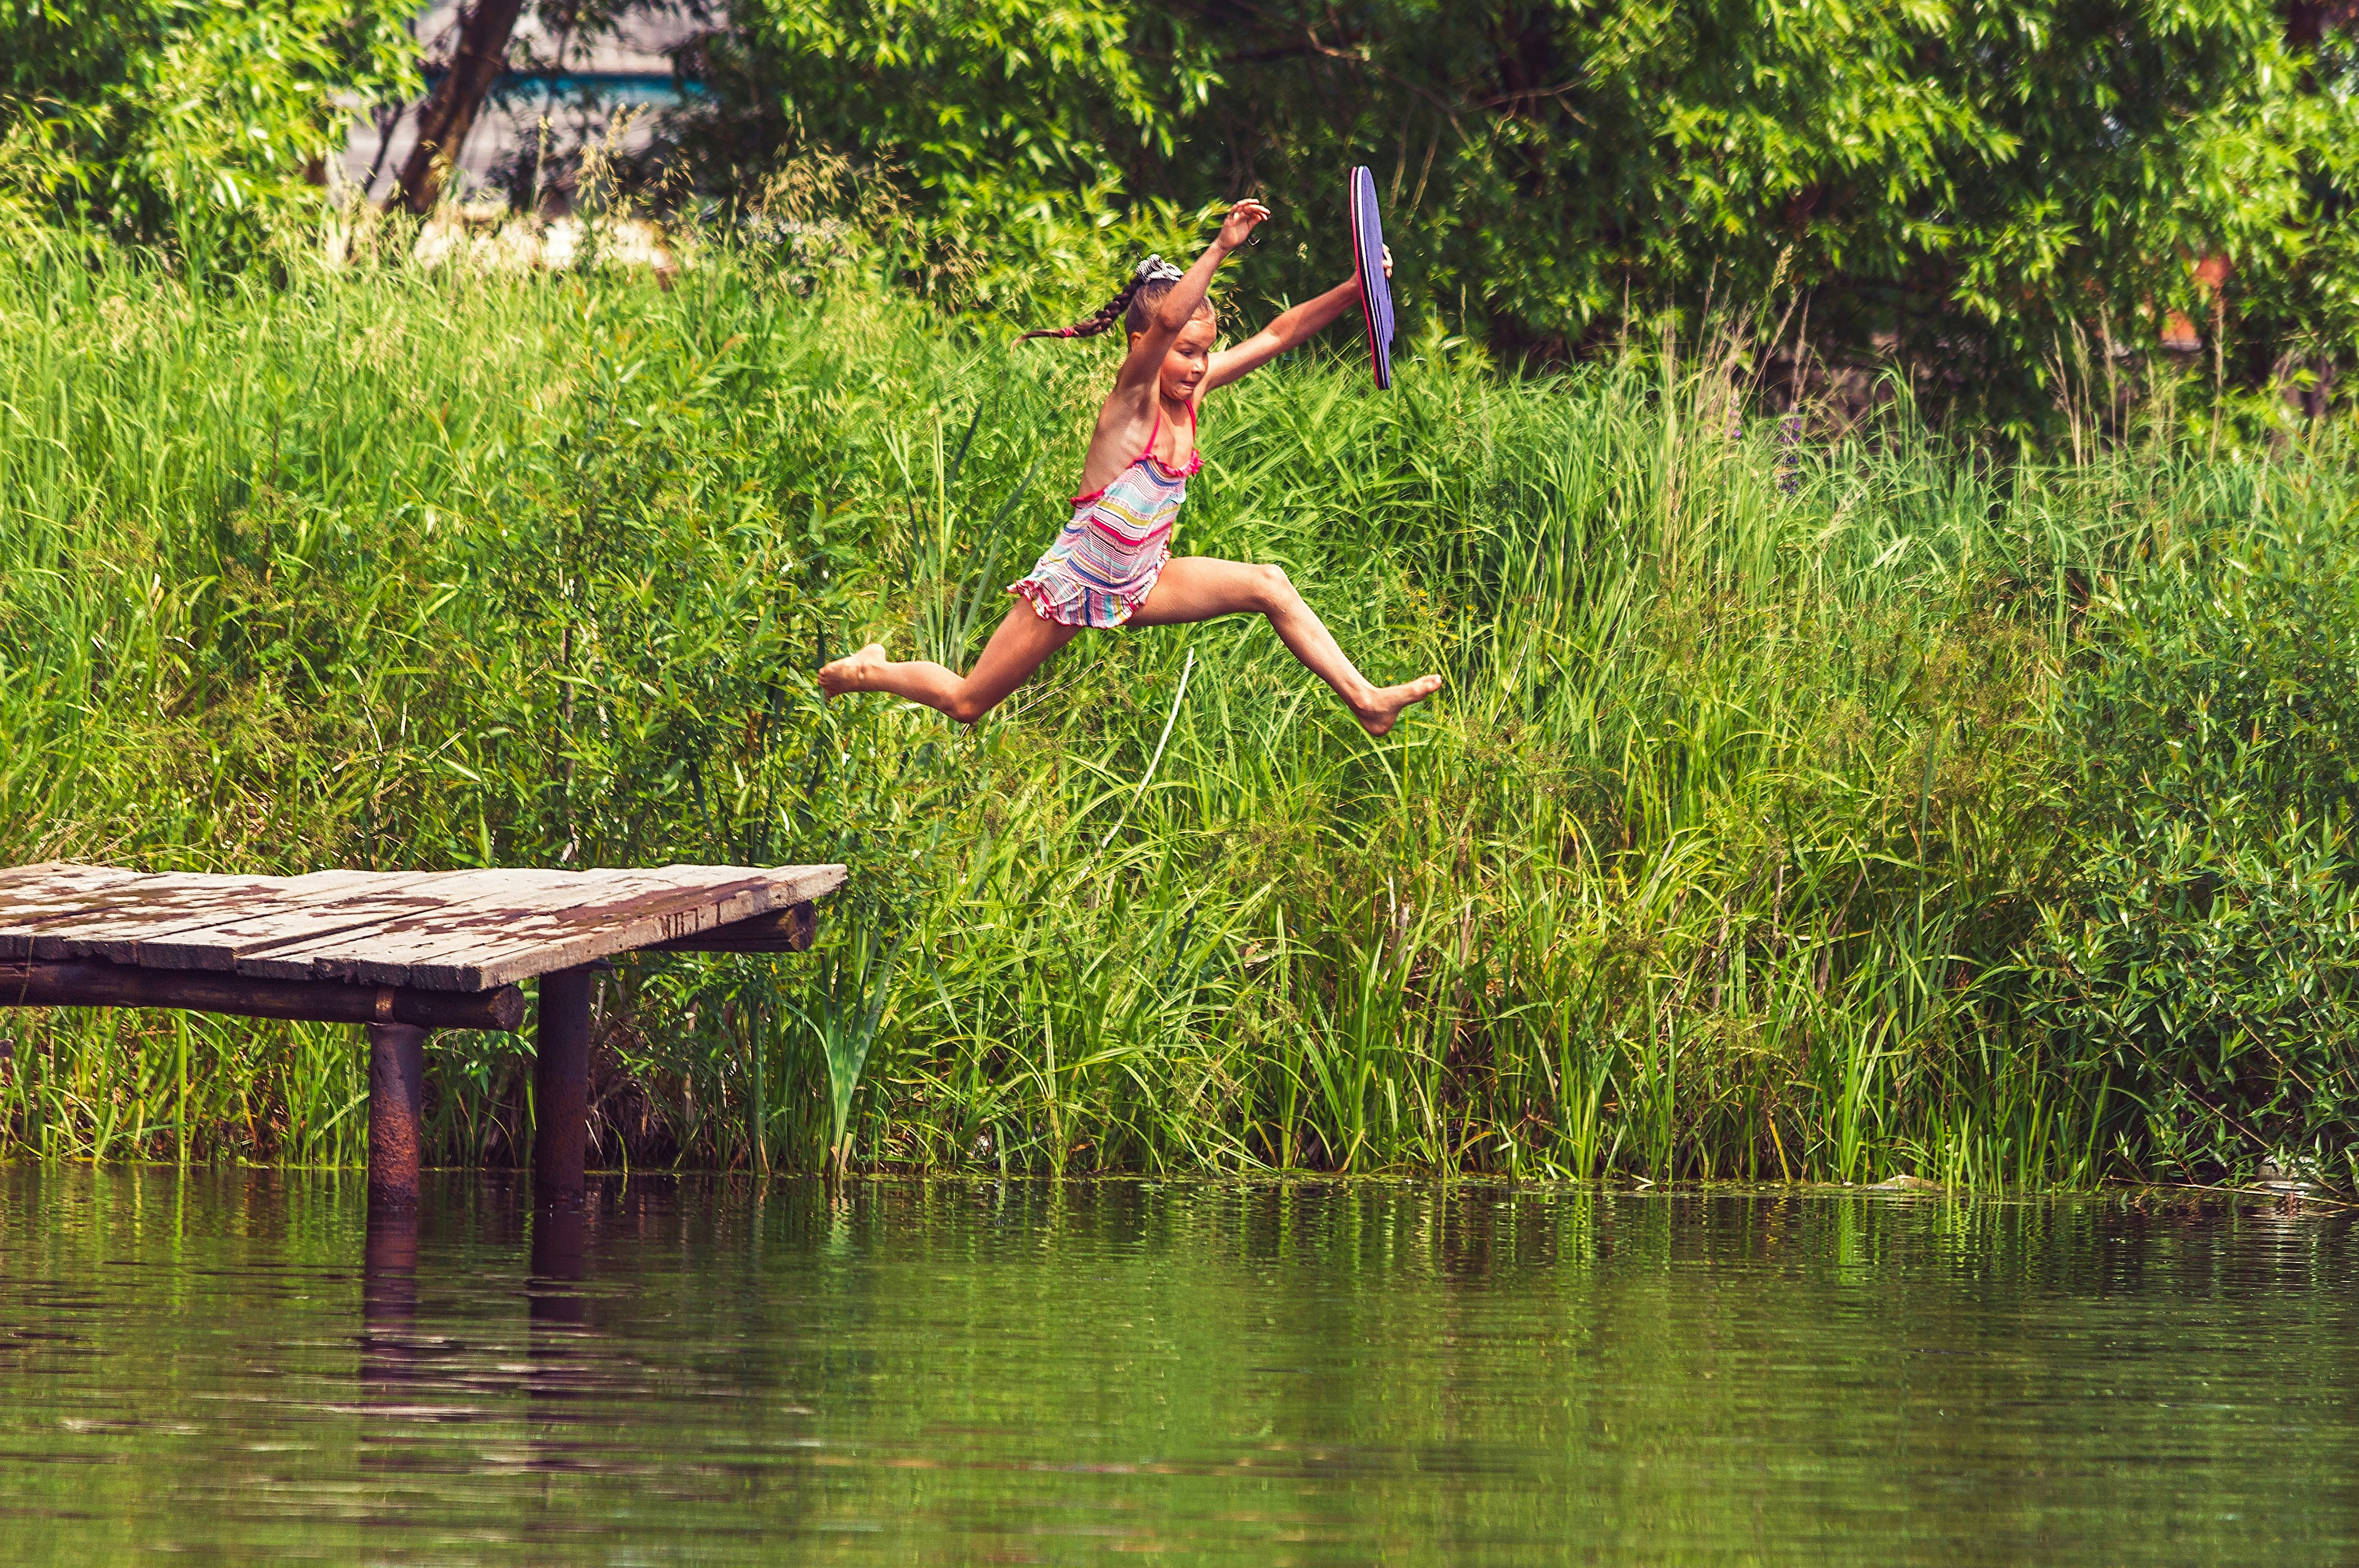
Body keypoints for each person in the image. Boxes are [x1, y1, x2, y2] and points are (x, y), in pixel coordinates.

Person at [817, 200, 1443, 736]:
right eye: (1186, 354)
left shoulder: (1192, 394)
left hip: (1141, 581)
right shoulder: (1131, 402)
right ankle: (869, 669)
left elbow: (1279, 335)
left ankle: (1365, 699)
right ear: (1142, 349)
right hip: (1076, 584)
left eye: (1205, 352)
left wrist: (1356, 287)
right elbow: (1170, 319)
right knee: (967, 702)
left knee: (1268, 584)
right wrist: (1221, 249)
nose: (1198, 366)